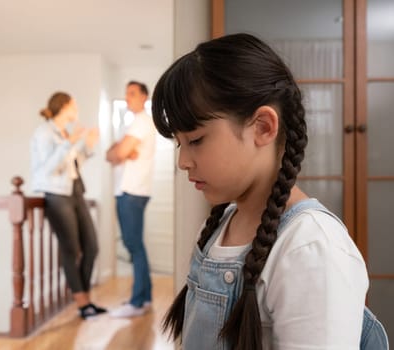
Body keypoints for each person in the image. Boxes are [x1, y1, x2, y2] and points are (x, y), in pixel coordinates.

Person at [151, 33, 388, 349]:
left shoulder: (310, 248)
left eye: (195, 140)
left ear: (263, 127)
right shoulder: (223, 224)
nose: (183, 162)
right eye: (179, 144)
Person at [31, 92, 106, 320]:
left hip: (75, 190)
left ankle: (85, 300)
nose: (77, 110)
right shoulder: (44, 133)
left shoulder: (65, 133)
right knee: (71, 249)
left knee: (91, 247)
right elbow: (47, 170)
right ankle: (83, 304)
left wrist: (87, 147)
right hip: (56, 195)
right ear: (63, 106)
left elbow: (71, 165)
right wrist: (69, 143)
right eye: (74, 106)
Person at [106, 81, 157, 318]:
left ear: (144, 97)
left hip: (131, 192)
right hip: (132, 191)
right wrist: (119, 151)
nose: (127, 98)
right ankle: (144, 297)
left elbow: (118, 153)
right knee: (136, 245)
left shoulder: (140, 121)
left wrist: (121, 151)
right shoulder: (135, 123)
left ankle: (137, 302)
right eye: (126, 94)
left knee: (134, 245)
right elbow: (111, 154)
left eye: (132, 94)